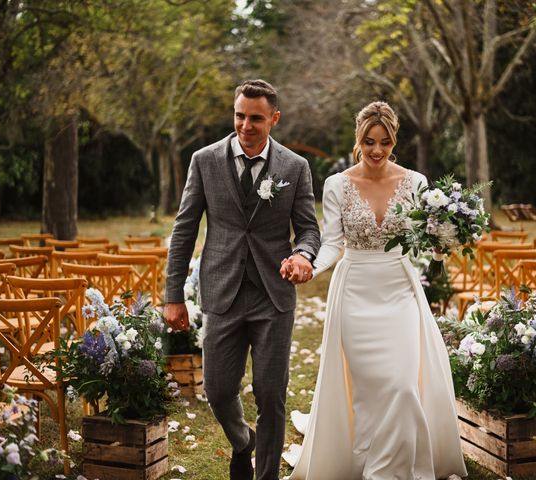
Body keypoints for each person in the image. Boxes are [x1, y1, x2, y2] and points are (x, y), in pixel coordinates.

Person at [282, 101, 468, 479]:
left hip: (400, 290)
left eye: (384, 142)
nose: (377, 150)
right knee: (368, 391)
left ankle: (391, 470)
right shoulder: (337, 184)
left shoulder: (416, 182)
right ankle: (368, 464)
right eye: (369, 142)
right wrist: (308, 267)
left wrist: (440, 244)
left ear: (394, 139)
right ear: (359, 140)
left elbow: (421, 240)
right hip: (354, 292)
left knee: (401, 385)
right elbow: (333, 243)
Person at [164, 79, 321, 480]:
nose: (245, 125)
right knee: (217, 390)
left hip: (273, 296)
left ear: (274, 119)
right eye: (239, 115)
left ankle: (265, 475)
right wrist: (174, 295)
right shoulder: (204, 160)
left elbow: (307, 228)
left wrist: (303, 255)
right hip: (222, 292)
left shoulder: (294, 167)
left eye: (255, 118)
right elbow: (184, 230)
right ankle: (242, 442)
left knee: (272, 395)